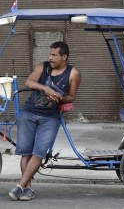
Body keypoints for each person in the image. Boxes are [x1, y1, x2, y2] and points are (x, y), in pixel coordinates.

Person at [9, 41, 81, 201]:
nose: (51, 57)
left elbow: (71, 96)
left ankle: (19, 186)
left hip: (50, 117)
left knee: (39, 152)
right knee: (26, 152)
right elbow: (29, 82)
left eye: (54, 55)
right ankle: (28, 189)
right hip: (29, 113)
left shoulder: (73, 73)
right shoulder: (43, 67)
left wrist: (59, 98)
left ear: (64, 56)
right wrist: (46, 89)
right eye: (50, 54)